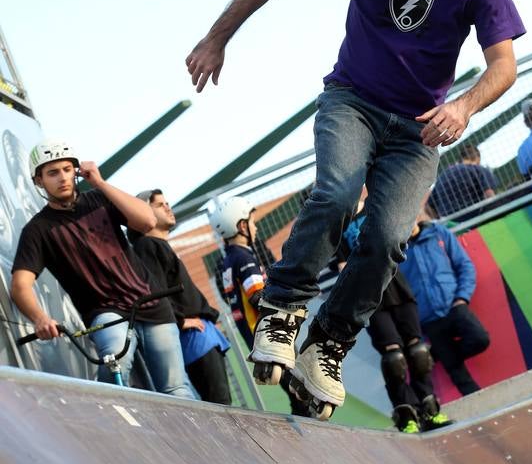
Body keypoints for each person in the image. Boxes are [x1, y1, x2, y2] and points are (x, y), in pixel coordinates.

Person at [187, 0, 524, 415]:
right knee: (338, 194)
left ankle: (328, 345)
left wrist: (463, 106)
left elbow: (504, 63)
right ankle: (283, 310)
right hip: (352, 102)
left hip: (419, 130)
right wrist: (216, 37)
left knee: (391, 235)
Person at [10, 140, 195, 398]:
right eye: (52, 173)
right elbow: (20, 285)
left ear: (75, 172)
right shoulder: (37, 230)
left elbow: (148, 220)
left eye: (66, 169)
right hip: (107, 313)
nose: (62, 177)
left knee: (176, 388)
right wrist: (39, 318)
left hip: (153, 306)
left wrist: (100, 183)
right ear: (38, 180)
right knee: (115, 378)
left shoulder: (100, 198)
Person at [339, 203, 451, 433]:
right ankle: (406, 414)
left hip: (397, 285)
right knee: (394, 357)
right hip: (368, 297)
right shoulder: (336, 224)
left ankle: (430, 410)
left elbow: (407, 229)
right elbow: (340, 266)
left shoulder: (377, 203)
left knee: (418, 350)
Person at [129, 189, 232, 405]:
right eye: (159, 205)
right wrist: (182, 320)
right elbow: (150, 292)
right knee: (219, 404)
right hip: (191, 336)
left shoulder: (157, 245)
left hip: (200, 333)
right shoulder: (146, 246)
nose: (168, 207)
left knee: (221, 402)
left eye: (167, 202)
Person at [210, 196, 310, 416]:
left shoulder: (228, 260)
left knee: (291, 386)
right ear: (242, 226)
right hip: (269, 332)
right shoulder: (243, 257)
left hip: (256, 333)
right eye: (252, 223)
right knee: (299, 388)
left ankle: (301, 422)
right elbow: (257, 296)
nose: (255, 227)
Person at [401, 218, 490, 395]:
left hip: (454, 306)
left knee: (480, 338)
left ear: (417, 216)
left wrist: (462, 298)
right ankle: (481, 406)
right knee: (458, 376)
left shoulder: (439, 233)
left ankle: (437, 355)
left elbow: (464, 265)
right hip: (427, 319)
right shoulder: (396, 250)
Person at [427, 141, 496, 220]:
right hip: (476, 220)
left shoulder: (443, 175)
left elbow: (429, 207)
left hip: (452, 225)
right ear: (477, 159)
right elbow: (489, 195)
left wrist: (441, 220)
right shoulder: (479, 170)